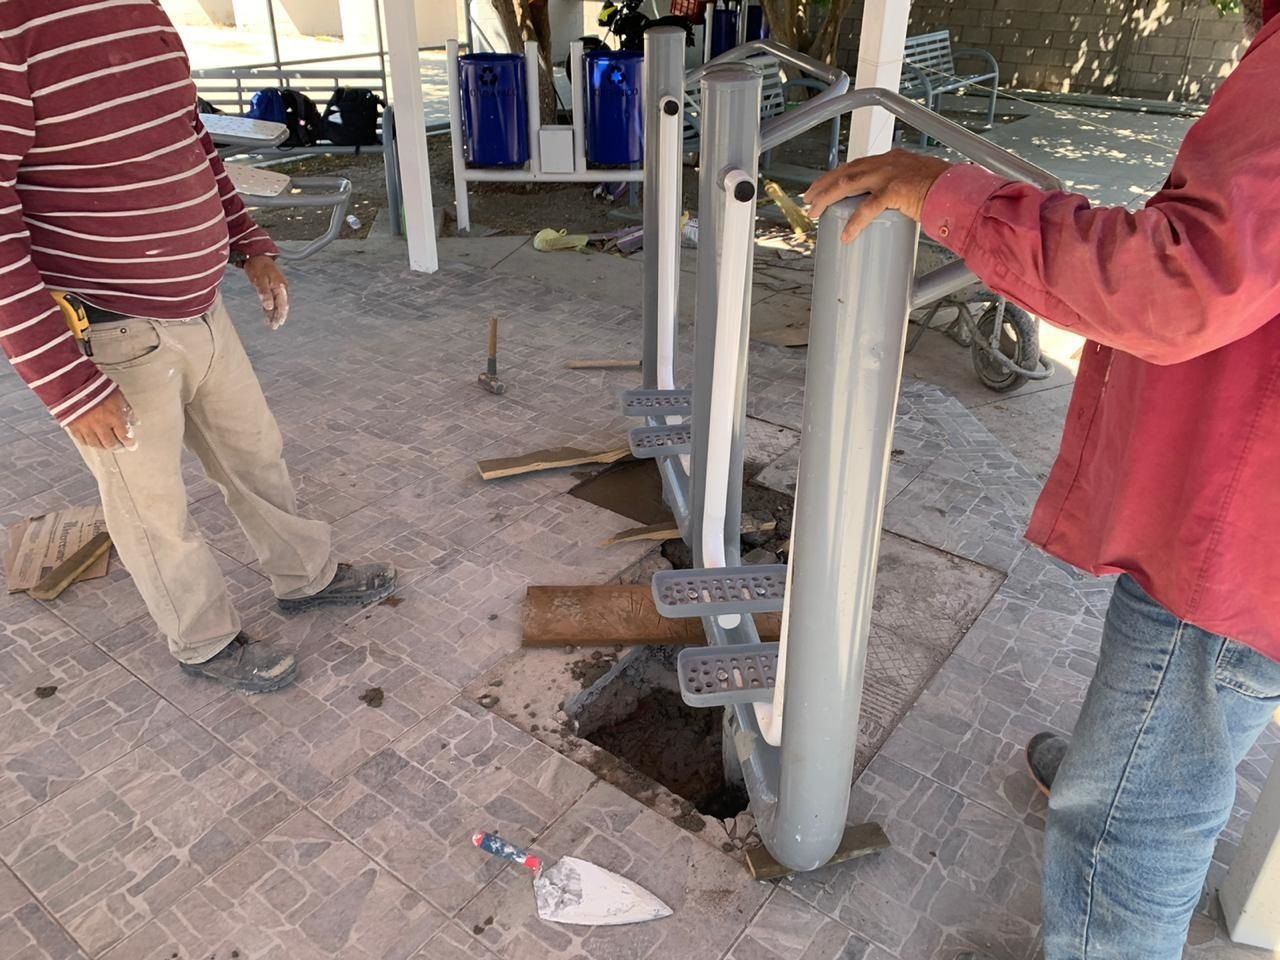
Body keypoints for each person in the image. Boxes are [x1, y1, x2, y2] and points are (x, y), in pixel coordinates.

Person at [806, 1, 1280, 957]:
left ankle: (1125, 784)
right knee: (1187, 715)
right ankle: (1126, 756)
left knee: (1139, 816)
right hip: (1245, 514)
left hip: (1239, 537)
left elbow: (1176, 282)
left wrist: (946, 193)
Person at [0, 1, 396, 693]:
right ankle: (204, 641)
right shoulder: (13, 28)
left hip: (203, 308)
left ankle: (306, 576)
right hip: (110, 332)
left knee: (256, 455)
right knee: (152, 508)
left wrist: (249, 243)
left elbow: (192, 141)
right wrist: (68, 386)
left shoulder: (144, 11)